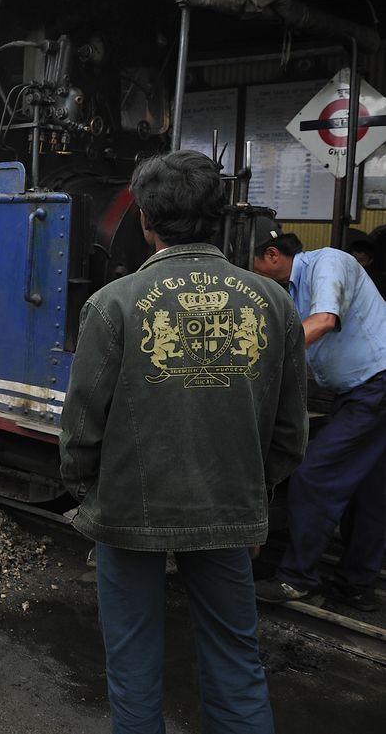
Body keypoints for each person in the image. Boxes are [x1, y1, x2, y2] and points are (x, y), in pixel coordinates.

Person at [60, 151, 308, 734]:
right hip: (229, 506)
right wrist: (250, 485)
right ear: (219, 217)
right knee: (235, 659)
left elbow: (81, 427)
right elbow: (290, 434)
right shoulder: (274, 304)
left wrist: (89, 491)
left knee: (133, 662)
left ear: (145, 219)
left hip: (127, 510)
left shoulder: (113, 303)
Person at [252, 218, 386, 612]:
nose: (253, 276)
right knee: (370, 492)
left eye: (253, 266)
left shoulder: (328, 262)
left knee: (314, 476)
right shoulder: (291, 292)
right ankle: (355, 586)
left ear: (272, 256)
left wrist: (256, 361)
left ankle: (297, 578)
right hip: (361, 390)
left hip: (375, 386)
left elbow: (324, 321)